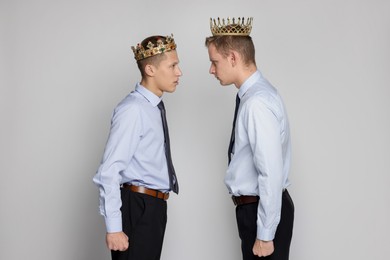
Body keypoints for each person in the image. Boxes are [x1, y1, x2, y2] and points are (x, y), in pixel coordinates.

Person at [205, 17, 294, 260]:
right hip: (257, 209)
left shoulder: (256, 103)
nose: (211, 69)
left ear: (233, 57)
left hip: (261, 211)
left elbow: (270, 171)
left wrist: (265, 234)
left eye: (215, 62)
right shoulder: (255, 96)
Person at [93, 34, 182, 260]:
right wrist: (114, 227)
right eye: (172, 66)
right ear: (150, 70)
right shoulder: (133, 110)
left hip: (153, 207)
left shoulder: (152, 107)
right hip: (138, 206)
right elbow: (109, 170)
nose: (179, 72)